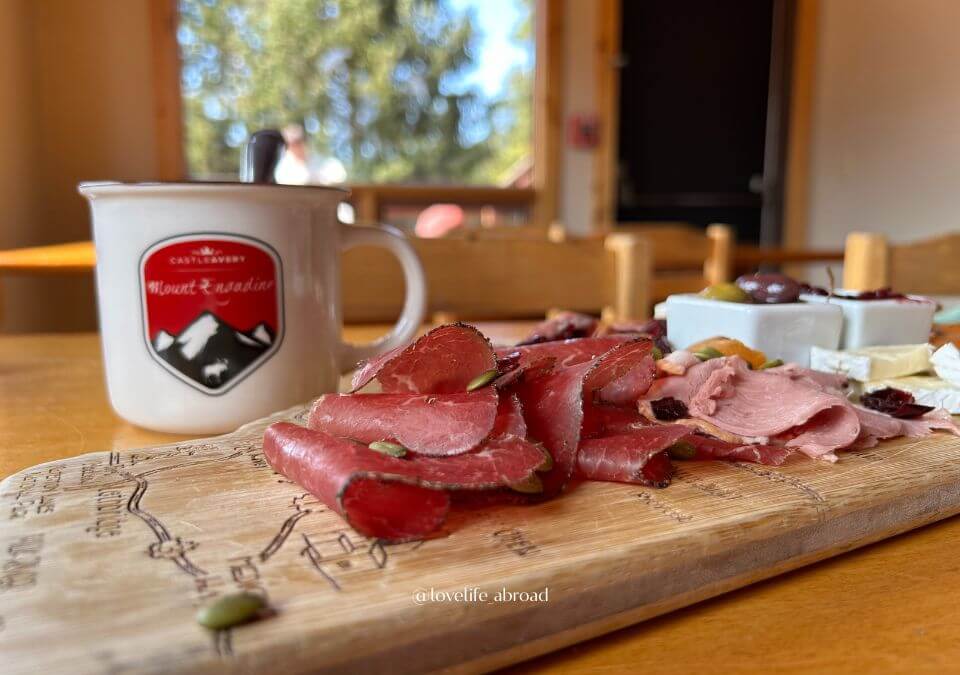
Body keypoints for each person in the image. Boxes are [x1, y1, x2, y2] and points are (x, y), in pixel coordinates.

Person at [274, 124, 347, 186]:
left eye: (298, 142)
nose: (296, 147)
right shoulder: (284, 168)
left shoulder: (328, 163)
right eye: (291, 144)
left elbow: (339, 178)